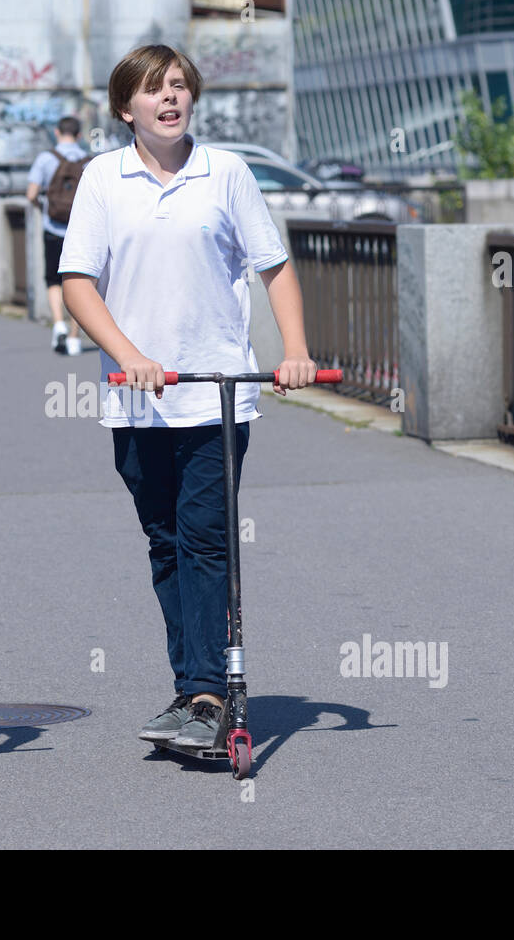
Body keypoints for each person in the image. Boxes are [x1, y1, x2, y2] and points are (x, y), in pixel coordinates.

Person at [59, 45, 319, 751]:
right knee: (165, 542)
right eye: (152, 90)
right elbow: (77, 281)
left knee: (206, 538)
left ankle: (209, 693)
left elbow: (275, 266)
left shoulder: (225, 173)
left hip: (214, 392)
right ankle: (189, 687)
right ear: (125, 109)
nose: (168, 98)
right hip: (138, 397)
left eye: (178, 86)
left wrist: (292, 352)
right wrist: (129, 356)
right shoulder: (102, 179)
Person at [26, 117, 89, 356]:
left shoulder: (46, 158)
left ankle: (58, 323)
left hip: (52, 227)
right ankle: (74, 338)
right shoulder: (89, 161)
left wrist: (41, 207)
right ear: (79, 135)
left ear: (56, 132)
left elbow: (31, 193)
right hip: (80, 230)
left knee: (53, 279)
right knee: (80, 283)